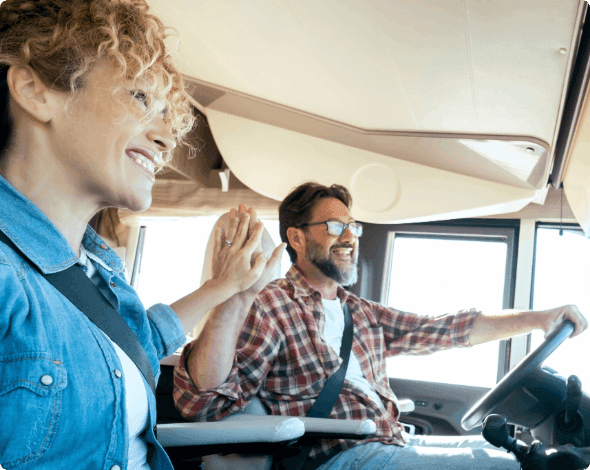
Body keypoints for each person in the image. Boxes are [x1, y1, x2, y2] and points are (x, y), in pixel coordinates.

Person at [0, 1, 285, 469]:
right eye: (139, 97)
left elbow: (135, 346)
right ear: (35, 91)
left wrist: (226, 287)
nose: (167, 139)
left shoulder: (97, 272)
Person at [174, 181, 588, 470]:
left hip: (392, 442)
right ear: (297, 240)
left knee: (522, 454)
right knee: (512, 466)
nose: (350, 236)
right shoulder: (272, 305)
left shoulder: (362, 312)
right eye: (335, 226)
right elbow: (208, 404)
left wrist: (540, 318)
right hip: (338, 457)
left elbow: (448, 328)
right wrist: (230, 295)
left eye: (353, 226)